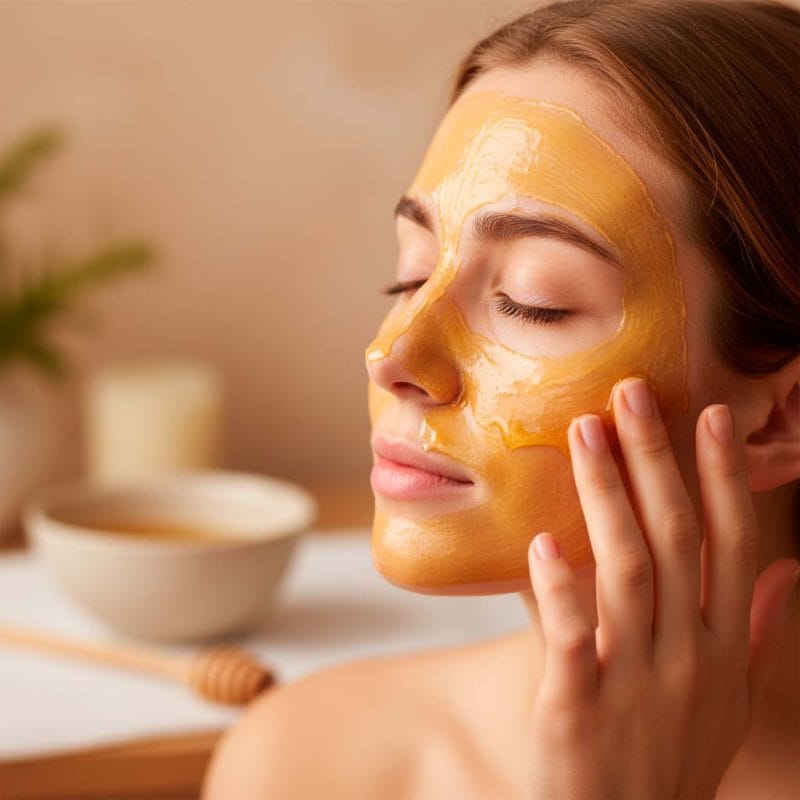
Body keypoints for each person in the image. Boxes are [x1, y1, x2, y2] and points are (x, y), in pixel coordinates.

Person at [203, 1, 799, 797]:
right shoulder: (307, 763)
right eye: (410, 275)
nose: (392, 357)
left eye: (532, 301)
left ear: (783, 416)